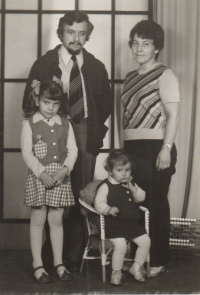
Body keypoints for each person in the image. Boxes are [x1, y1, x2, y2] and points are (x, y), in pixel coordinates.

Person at [22, 11, 113, 270]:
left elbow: (105, 104)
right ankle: (47, 258)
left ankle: (71, 257)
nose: (76, 38)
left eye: (82, 33)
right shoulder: (44, 64)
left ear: (88, 36)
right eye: (70, 32)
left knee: (79, 194)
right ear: (60, 33)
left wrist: (90, 126)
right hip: (52, 130)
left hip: (83, 129)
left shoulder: (95, 66)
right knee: (50, 193)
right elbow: (28, 103)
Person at [121, 20, 180, 276]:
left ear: (156, 48)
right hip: (132, 148)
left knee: (155, 203)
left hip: (157, 147)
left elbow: (173, 115)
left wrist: (166, 147)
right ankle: (139, 258)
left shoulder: (165, 74)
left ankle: (157, 258)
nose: (139, 48)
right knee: (135, 203)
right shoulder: (130, 77)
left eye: (145, 43)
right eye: (135, 43)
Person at [21, 80, 78, 283]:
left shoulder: (66, 124)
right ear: (37, 100)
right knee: (38, 221)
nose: (51, 108)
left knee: (56, 221)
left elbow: (73, 151)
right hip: (39, 177)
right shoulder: (29, 124)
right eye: (46, 103)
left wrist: (65, 170)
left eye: (55, 103)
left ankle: (58, 263)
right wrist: (41, 173)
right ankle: (38, 264)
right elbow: (27, 153)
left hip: (60, 177)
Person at [94, 150, 151, 285]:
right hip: (114, 224)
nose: (124, 174)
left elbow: (141, 198)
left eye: (127, 170)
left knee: (146, 241)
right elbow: (98, 203)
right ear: (110, 171)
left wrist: (133, 189)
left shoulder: (130, 184)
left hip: (131, 224)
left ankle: (136, 266)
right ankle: (116, 271)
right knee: (121, 246)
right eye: (119, 170)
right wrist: (108, 209)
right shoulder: (106, 186)